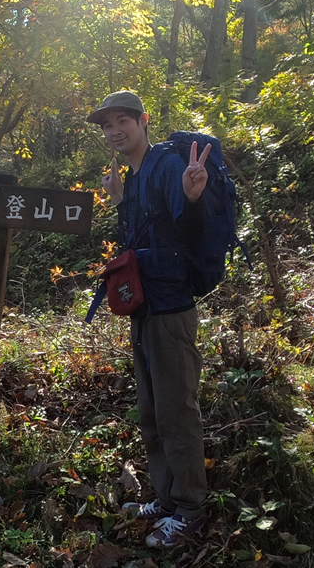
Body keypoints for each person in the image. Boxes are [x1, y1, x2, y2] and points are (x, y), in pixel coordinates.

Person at [87, 90, 211, 549]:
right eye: (106, 125)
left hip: (171, 308)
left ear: (142, 121)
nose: (113, 130)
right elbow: (138, 239)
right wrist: (120, 200)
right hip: (143, 306)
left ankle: (192, 509)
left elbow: (185, 232)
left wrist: (193, 196)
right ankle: (166, 496)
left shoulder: (163, 165)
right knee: (152, 411)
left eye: (122, 121)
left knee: (178, 412)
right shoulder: (135, 177)